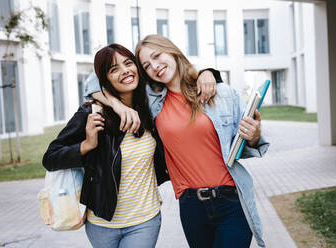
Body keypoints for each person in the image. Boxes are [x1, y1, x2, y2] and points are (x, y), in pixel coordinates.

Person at [86, 35, 269, 248]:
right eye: (146, 65)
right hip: (191, 205)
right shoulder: (150, 101)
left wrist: (254, 135)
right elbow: (93, 82)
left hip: (231, 200)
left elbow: (245, 146)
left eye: (157, 56)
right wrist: (118, 106)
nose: (155, 66)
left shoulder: (221, 93)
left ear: (172, 51)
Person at [42, 43, 169, 248]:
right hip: (101, 224)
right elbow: (50, 158)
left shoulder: (153, 109)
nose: (125, 70)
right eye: (114, 69)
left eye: (128, 63)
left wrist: (209, 74)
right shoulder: (92, 113)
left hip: (144, 220)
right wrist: (87, 144)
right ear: (105, 79)